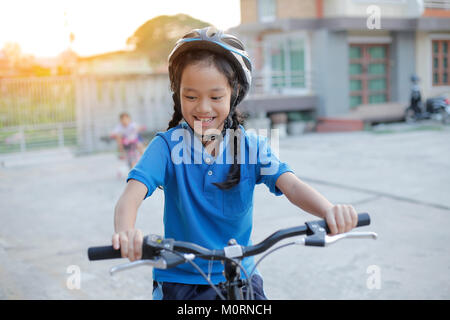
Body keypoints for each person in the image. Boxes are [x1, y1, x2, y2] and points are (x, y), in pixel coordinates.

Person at [111, 27, 359, 300]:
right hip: (179, 279)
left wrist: (330, 211)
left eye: (216, 97)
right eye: (191, 96)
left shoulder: (251, 147)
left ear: (234, 93)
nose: (203, 108)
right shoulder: (166, 147)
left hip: (241, 274)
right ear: (177, 94)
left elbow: (293, 186)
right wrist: (126, 232)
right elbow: (130, 197)